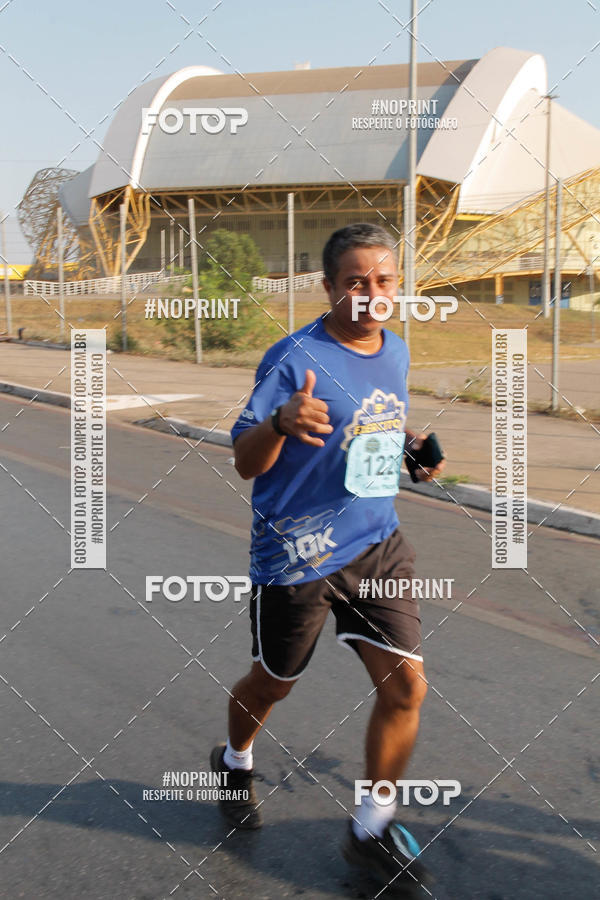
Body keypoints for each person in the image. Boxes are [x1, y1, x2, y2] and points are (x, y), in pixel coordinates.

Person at [210, 222, 445, 891]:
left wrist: (410, 447)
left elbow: (377, 414)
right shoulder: (292, 358)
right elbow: (245, 461)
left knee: (407, 688)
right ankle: (234, 759)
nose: (372, 294)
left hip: (377, 543)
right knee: (273, 682)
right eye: (355, 282)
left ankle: (371, 828)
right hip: (298, 555)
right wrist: (280, 423)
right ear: (328, 287)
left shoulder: (396, 349)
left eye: (384, 279)